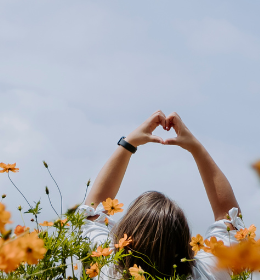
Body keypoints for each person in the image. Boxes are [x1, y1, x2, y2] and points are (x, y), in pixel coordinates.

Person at [78, 111, 245, 280]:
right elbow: (230, 220)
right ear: (185, 247)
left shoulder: (106, 269)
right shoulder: (204, 274)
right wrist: (195, 148)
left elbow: (93, 211)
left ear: (125, 240)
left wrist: (129, 143)